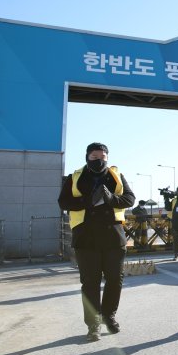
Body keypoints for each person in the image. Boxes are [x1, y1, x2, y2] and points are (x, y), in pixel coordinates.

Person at [58, 142, 135, 342]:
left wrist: (111, 198)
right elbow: (63, 202)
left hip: (113, 236)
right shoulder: (75, 177)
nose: (98, 161)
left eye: (102, 157)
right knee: (90, 283)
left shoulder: (116, 175)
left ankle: (109, 316)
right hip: (86, 238)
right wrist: (87, 201)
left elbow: (130, 199)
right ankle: (93, 325)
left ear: (107, 157)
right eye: (94, 157)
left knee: (115, 279)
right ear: (87, 157)